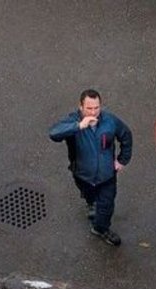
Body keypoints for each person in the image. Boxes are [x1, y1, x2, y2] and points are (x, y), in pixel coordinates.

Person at [49, 89, 133, 246]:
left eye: (97, 108)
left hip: (107, 176)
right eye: (89, 108)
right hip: (82, 175)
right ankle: (91, 202)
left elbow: (126, 136)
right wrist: (79, 126)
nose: (93, 112)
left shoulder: (110, 121)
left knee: (106, 205)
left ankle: (101, 228)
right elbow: (54, 133)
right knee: (89, 195)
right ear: (80, 106)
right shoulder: (73, 121)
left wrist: (122, 160)